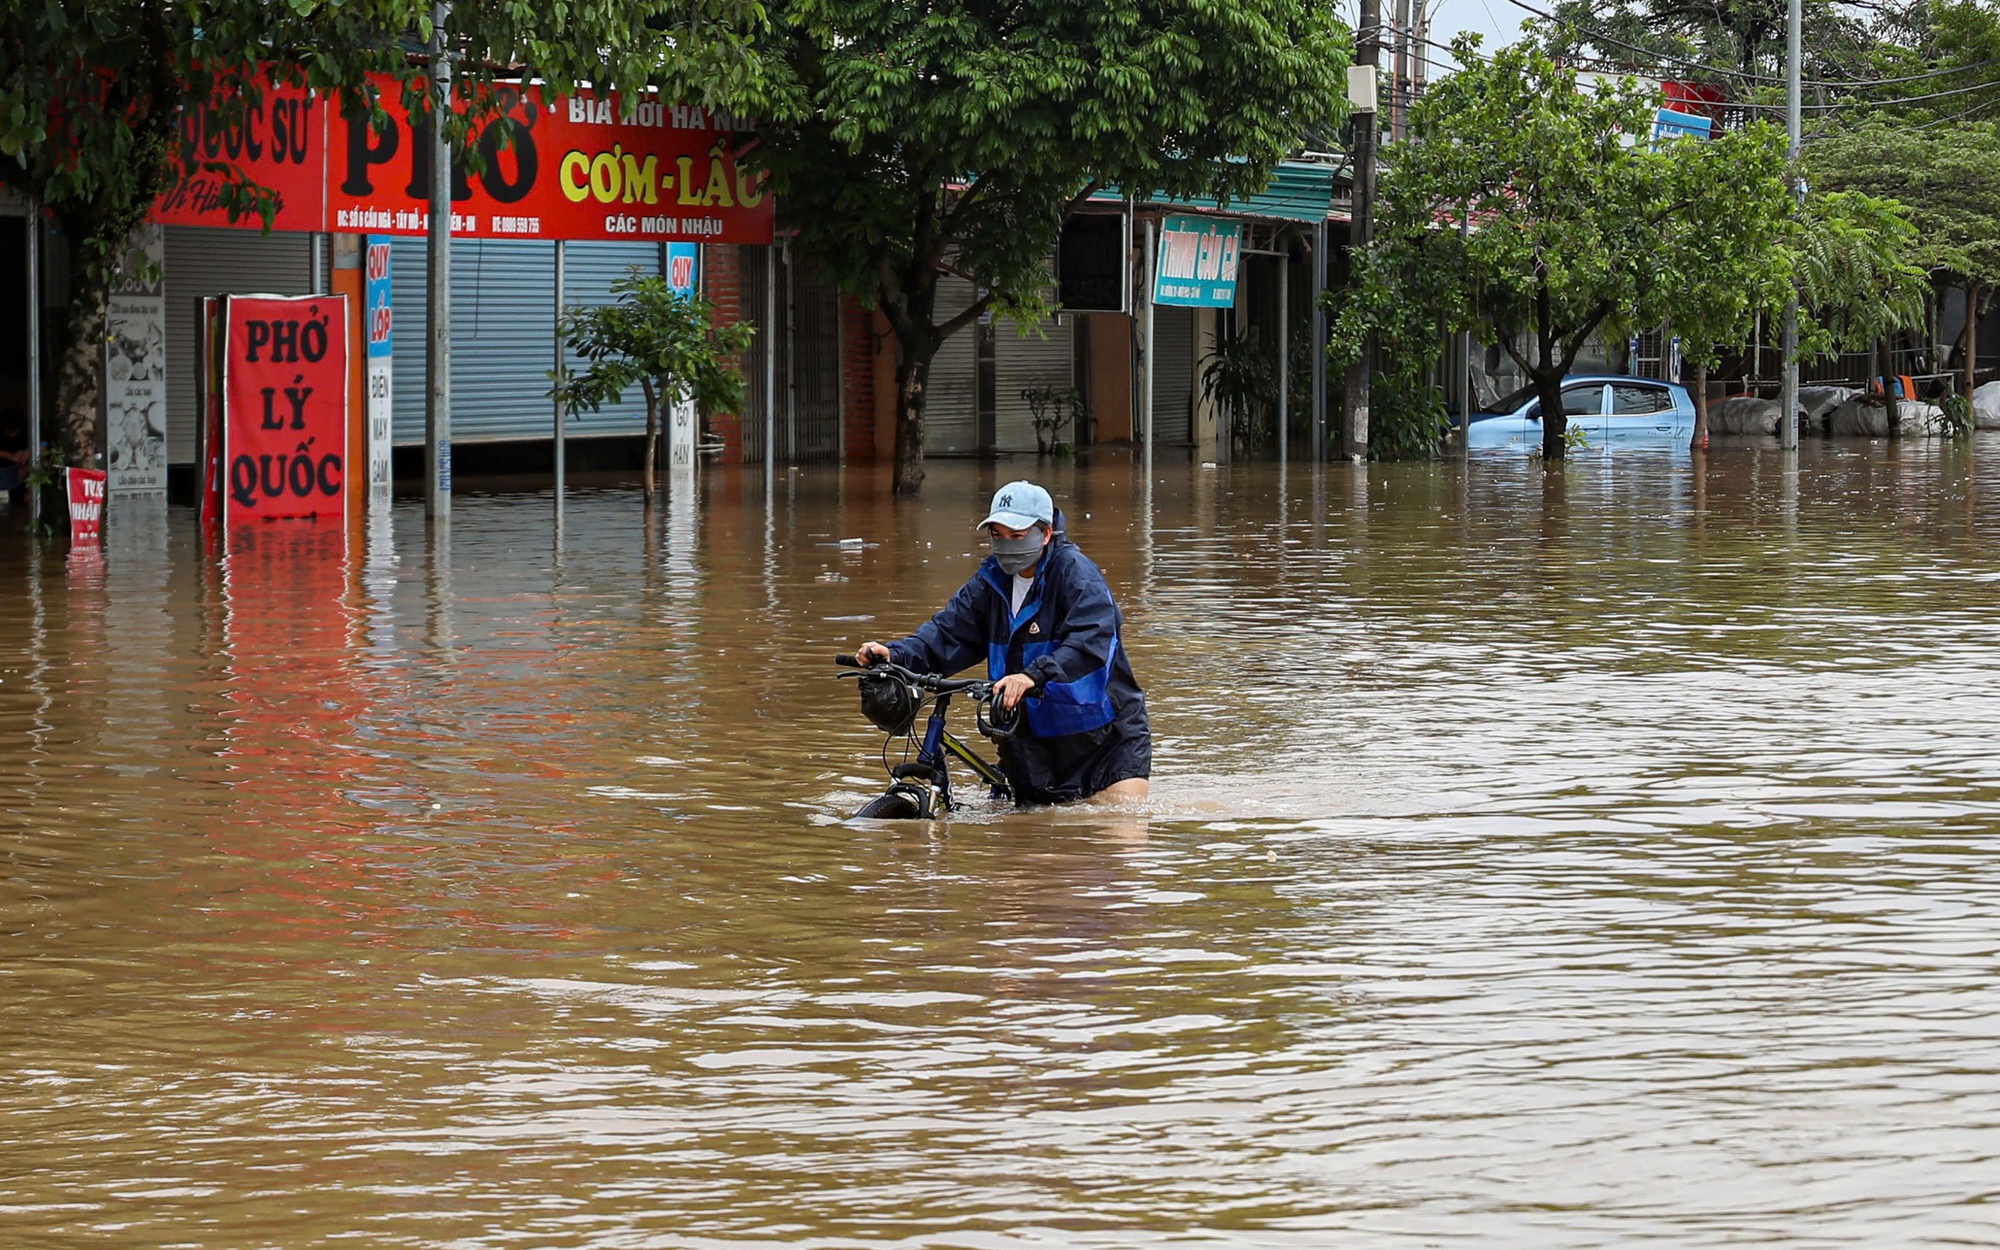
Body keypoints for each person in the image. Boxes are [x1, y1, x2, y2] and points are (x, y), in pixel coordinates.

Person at [856, 480, 1150, 805]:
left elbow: (1091, 641)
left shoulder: (1076, 576)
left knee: (1120, 834)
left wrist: (1031, 676)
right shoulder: (988, 583)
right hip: (1029, 745)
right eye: (997, 535)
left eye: (1017, 536)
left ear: (1046, 534)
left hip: (1104, 743)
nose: (1006, 545)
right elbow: (946, 634)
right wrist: (895, 654)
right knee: (1021, 851)